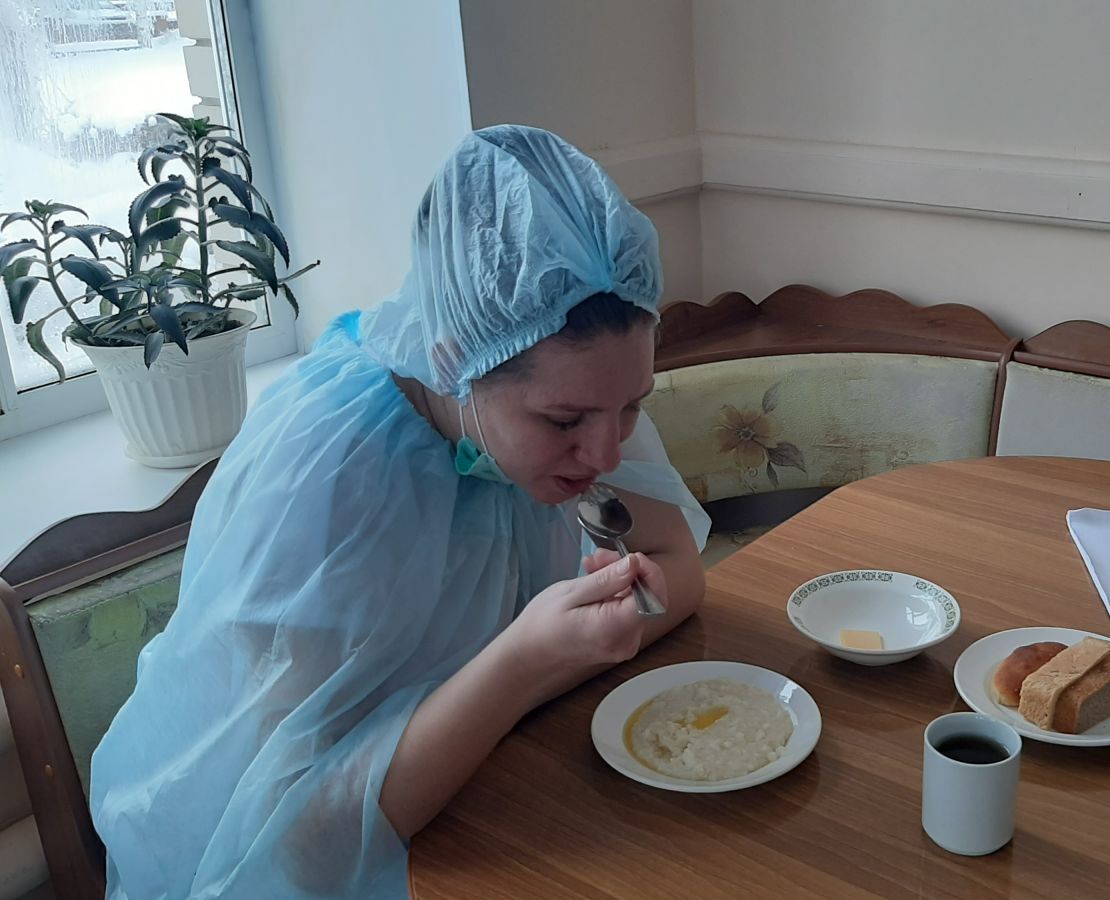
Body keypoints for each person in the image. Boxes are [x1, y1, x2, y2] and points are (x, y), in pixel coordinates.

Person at [89, 126, 710, 899]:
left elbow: (680, 571)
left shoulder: (582, 395)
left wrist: (557, 653)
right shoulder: (327, 480)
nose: (608, 454)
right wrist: (525, 662)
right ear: (451, 361)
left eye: (632, 406)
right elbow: (297, 844)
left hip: (493, 808)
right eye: (564, 422)